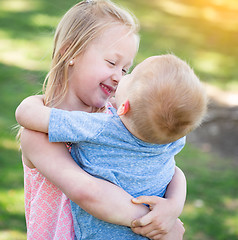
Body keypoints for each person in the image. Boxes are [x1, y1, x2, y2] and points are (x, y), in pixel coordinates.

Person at [16, 0, 187, 239]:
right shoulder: (37, 133)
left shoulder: (119, 119)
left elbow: (166, 165)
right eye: (111, 62)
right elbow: (89, 192)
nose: (118, 77)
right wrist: (156, 222)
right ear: (71, 52)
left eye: (125, 70)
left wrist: (172, 208)